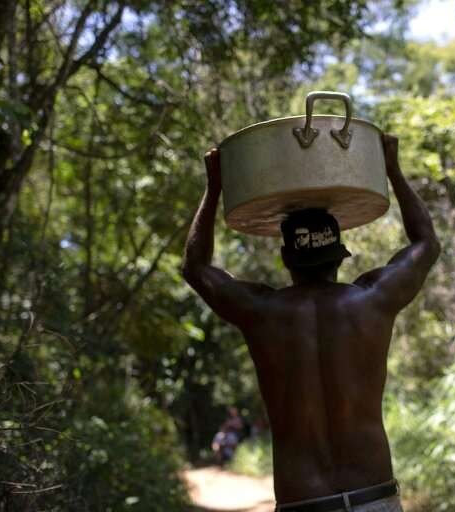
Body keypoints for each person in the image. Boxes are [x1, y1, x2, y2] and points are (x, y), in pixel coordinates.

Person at [182, 134, 440, 512]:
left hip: (304, 503)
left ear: (287, 258)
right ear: (340, 255)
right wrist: (392, 170)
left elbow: (196, 268)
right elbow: (426, 243)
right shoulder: (373, 301)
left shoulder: (262, 312)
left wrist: (215, 186)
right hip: (375, 497)